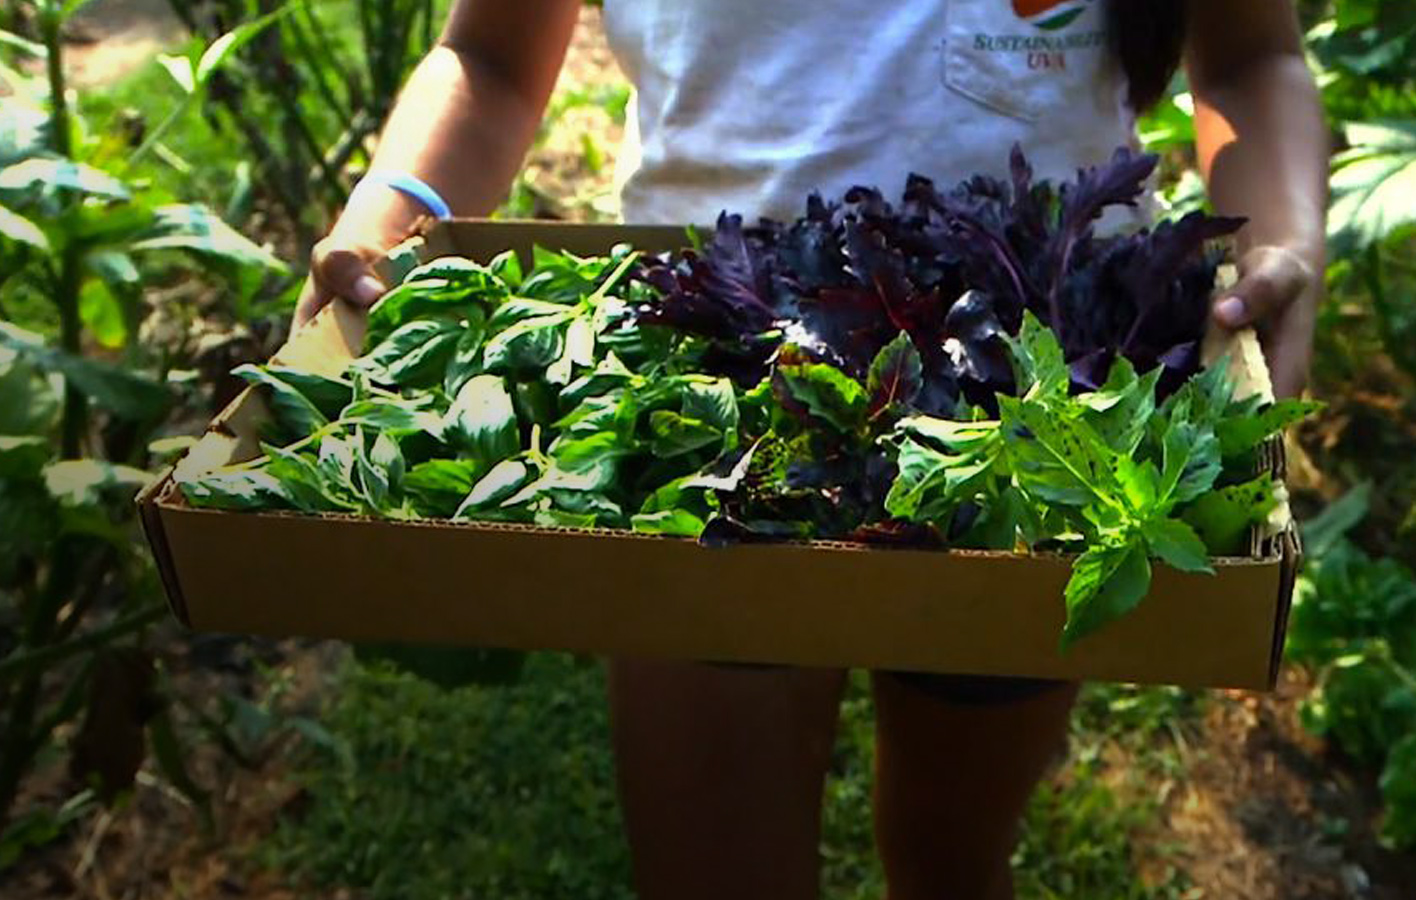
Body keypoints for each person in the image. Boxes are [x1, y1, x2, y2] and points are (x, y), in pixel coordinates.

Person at [293, 1, 1327, 897]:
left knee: (953, 857)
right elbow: (490, 56)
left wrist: (1287, 240)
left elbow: (1248, 54)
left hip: (1040, 416)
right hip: (710, 409)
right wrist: (398, 210)